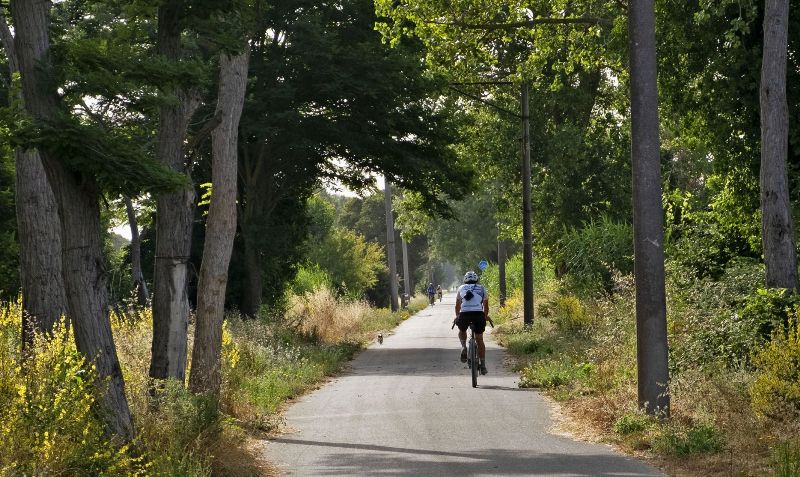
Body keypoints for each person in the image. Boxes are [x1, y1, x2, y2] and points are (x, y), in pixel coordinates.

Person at [454, 271, 493, 375]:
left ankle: (463, 346)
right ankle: (483, 365)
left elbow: (457, 305)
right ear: (477, 280)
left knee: (462, 330)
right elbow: (486, 306)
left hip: (464, 314)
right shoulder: (482, 288)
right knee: (479, 338)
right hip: (478, 314)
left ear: (465, 280)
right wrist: (485, 317)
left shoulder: (461, 288)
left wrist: (457, 316)